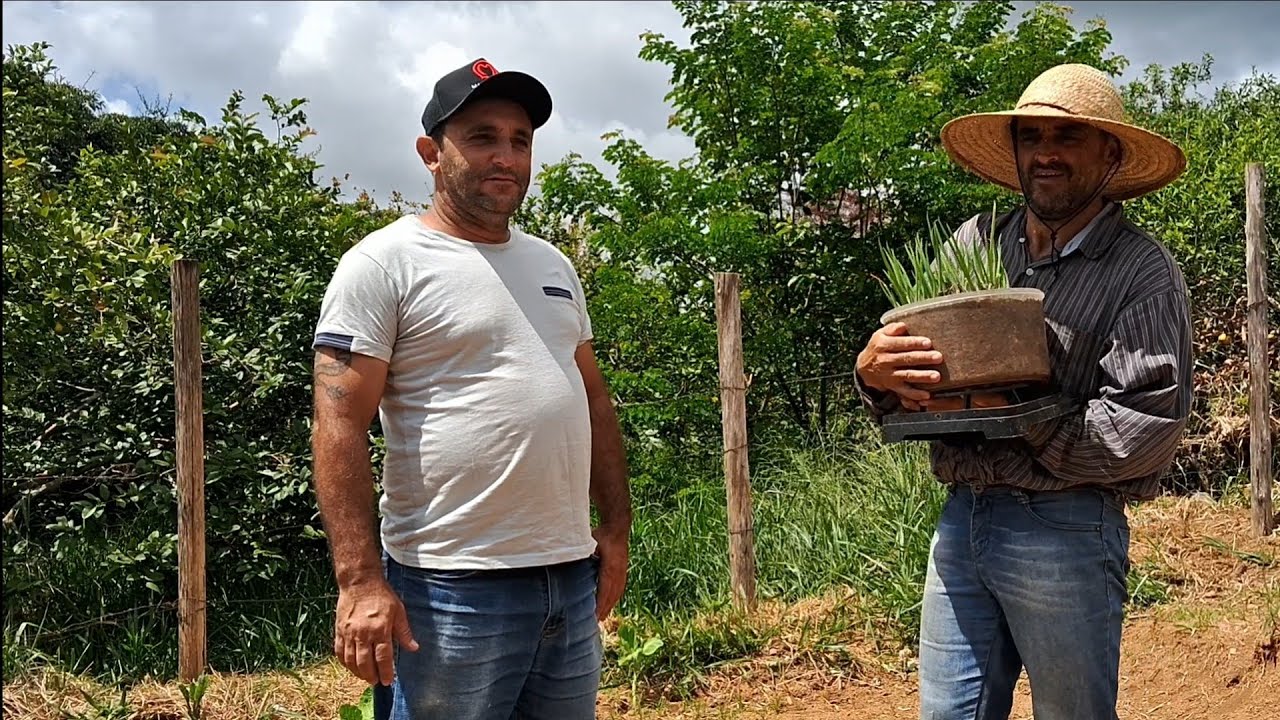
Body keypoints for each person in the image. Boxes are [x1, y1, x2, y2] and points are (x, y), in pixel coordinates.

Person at [855, 63, 1193, 719]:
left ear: (1110, 154)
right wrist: (876, 377)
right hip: (962, 518)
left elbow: (1146, 427)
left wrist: (1019, 417)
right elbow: (921, 371)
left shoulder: (1141, 272)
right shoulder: (975, 241)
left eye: (1067, 137)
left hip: (1065, 526)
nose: (1046, 153)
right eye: (1031, 136)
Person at [309, 57, 631, 720]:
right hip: (449, 590)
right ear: (432, 153)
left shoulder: (553, 265)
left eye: (520, 140)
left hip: (569, 580)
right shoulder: (383, 264)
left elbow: (593, 399)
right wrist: (360, 581)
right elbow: (339, 422)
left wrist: (616, 527)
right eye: (482, 137)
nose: (506, 156)